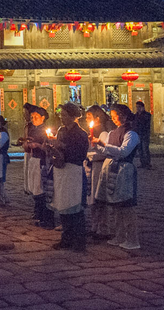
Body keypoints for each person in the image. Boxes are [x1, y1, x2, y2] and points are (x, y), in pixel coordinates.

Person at [92, 104, 141, 250]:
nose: (114, 118)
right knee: (115, 206)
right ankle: (119, 235)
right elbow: (106, 150)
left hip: (124, 170)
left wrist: (104, 145)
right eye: (112, 115)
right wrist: (96, 145)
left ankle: (132, 239)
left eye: (116, 115)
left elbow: (124, 151)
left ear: (124, 116)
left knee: (126, 205)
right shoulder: (112, 132)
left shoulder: (131, 134)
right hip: (112, 169)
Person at [46, 103, 90, 251]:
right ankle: (66, 238)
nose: (62, 118)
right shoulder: (61, 131)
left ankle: (78, 240)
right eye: (61, 116)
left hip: (73, 170)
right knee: (63, 203)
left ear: (73, 116)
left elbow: (80, 154)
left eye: (65, 115)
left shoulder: (81, 134)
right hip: (61, 171)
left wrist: (63, 148)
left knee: (74, 205)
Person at [22, 105, 53, 228]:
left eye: (36, 116)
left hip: (42, 161)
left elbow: (48, 147)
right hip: (33, 159)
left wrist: (38, 145)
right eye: (32, 116)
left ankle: (45, 216)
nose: (33, 118)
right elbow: (26, 145)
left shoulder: (46, 130)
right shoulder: (31, 129)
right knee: (34, 187)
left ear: (43, 118)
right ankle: (38, 212)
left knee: (41, 188)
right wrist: (27, 144)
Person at [85, 105, 112, 240]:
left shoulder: (103, 133)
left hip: (99, 167)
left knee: (99, 197)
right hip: (91, 167)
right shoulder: (91, 133)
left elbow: (105, 152)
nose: (86, 120)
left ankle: (103, 228)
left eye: (89, 117)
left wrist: (92, 155)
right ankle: (94, 226)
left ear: (97, 118)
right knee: (92, 198)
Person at [133, 101, 152, 170]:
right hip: (138, 134)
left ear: (143, 107)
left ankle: (148, 163)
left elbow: (145, 124)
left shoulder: (147, 115)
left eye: (139, 107)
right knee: (140, 149)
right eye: (137, 107)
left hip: (144, 134)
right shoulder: (136, 115)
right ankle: (142, 163)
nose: (138, 108)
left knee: (145, 149)